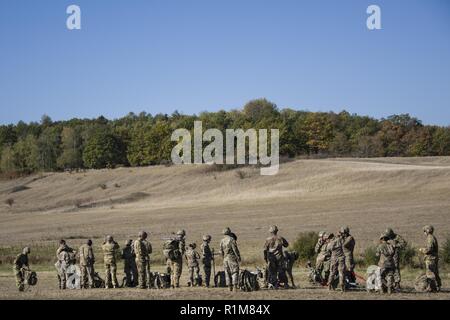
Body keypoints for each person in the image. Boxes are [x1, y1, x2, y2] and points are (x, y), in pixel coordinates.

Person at [419, 225, 441, 292]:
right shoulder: (432, 237)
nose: (424, 233)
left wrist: (422, 250)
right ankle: (437, 286)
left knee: (430, 273)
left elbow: (429, 249)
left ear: (427, 231)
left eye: (424, 231)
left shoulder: (430, 238)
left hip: (430, 258)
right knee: (435, 272)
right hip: (433, 258)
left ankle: (432, 288)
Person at [220, 227, 241, 292]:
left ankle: (229, 287)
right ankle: (235, 286)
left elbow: (221, 251)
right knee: (235, 271)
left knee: (227, 272)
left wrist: (223, 258)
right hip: (232, 257)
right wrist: (238, 256)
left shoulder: (222, 241)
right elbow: (235, 249)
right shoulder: (232, 239)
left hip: (225, 258)